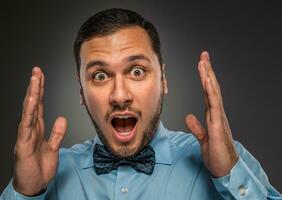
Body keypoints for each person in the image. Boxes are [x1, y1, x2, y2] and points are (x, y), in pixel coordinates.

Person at [1, 8, 281, 200]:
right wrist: (25, 193)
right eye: (100, 76)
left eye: (136, 71)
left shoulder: (230, 161)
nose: (120, 95)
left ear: (164, 80)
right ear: (81, 92)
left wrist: (229, 174)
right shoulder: (47, 175)